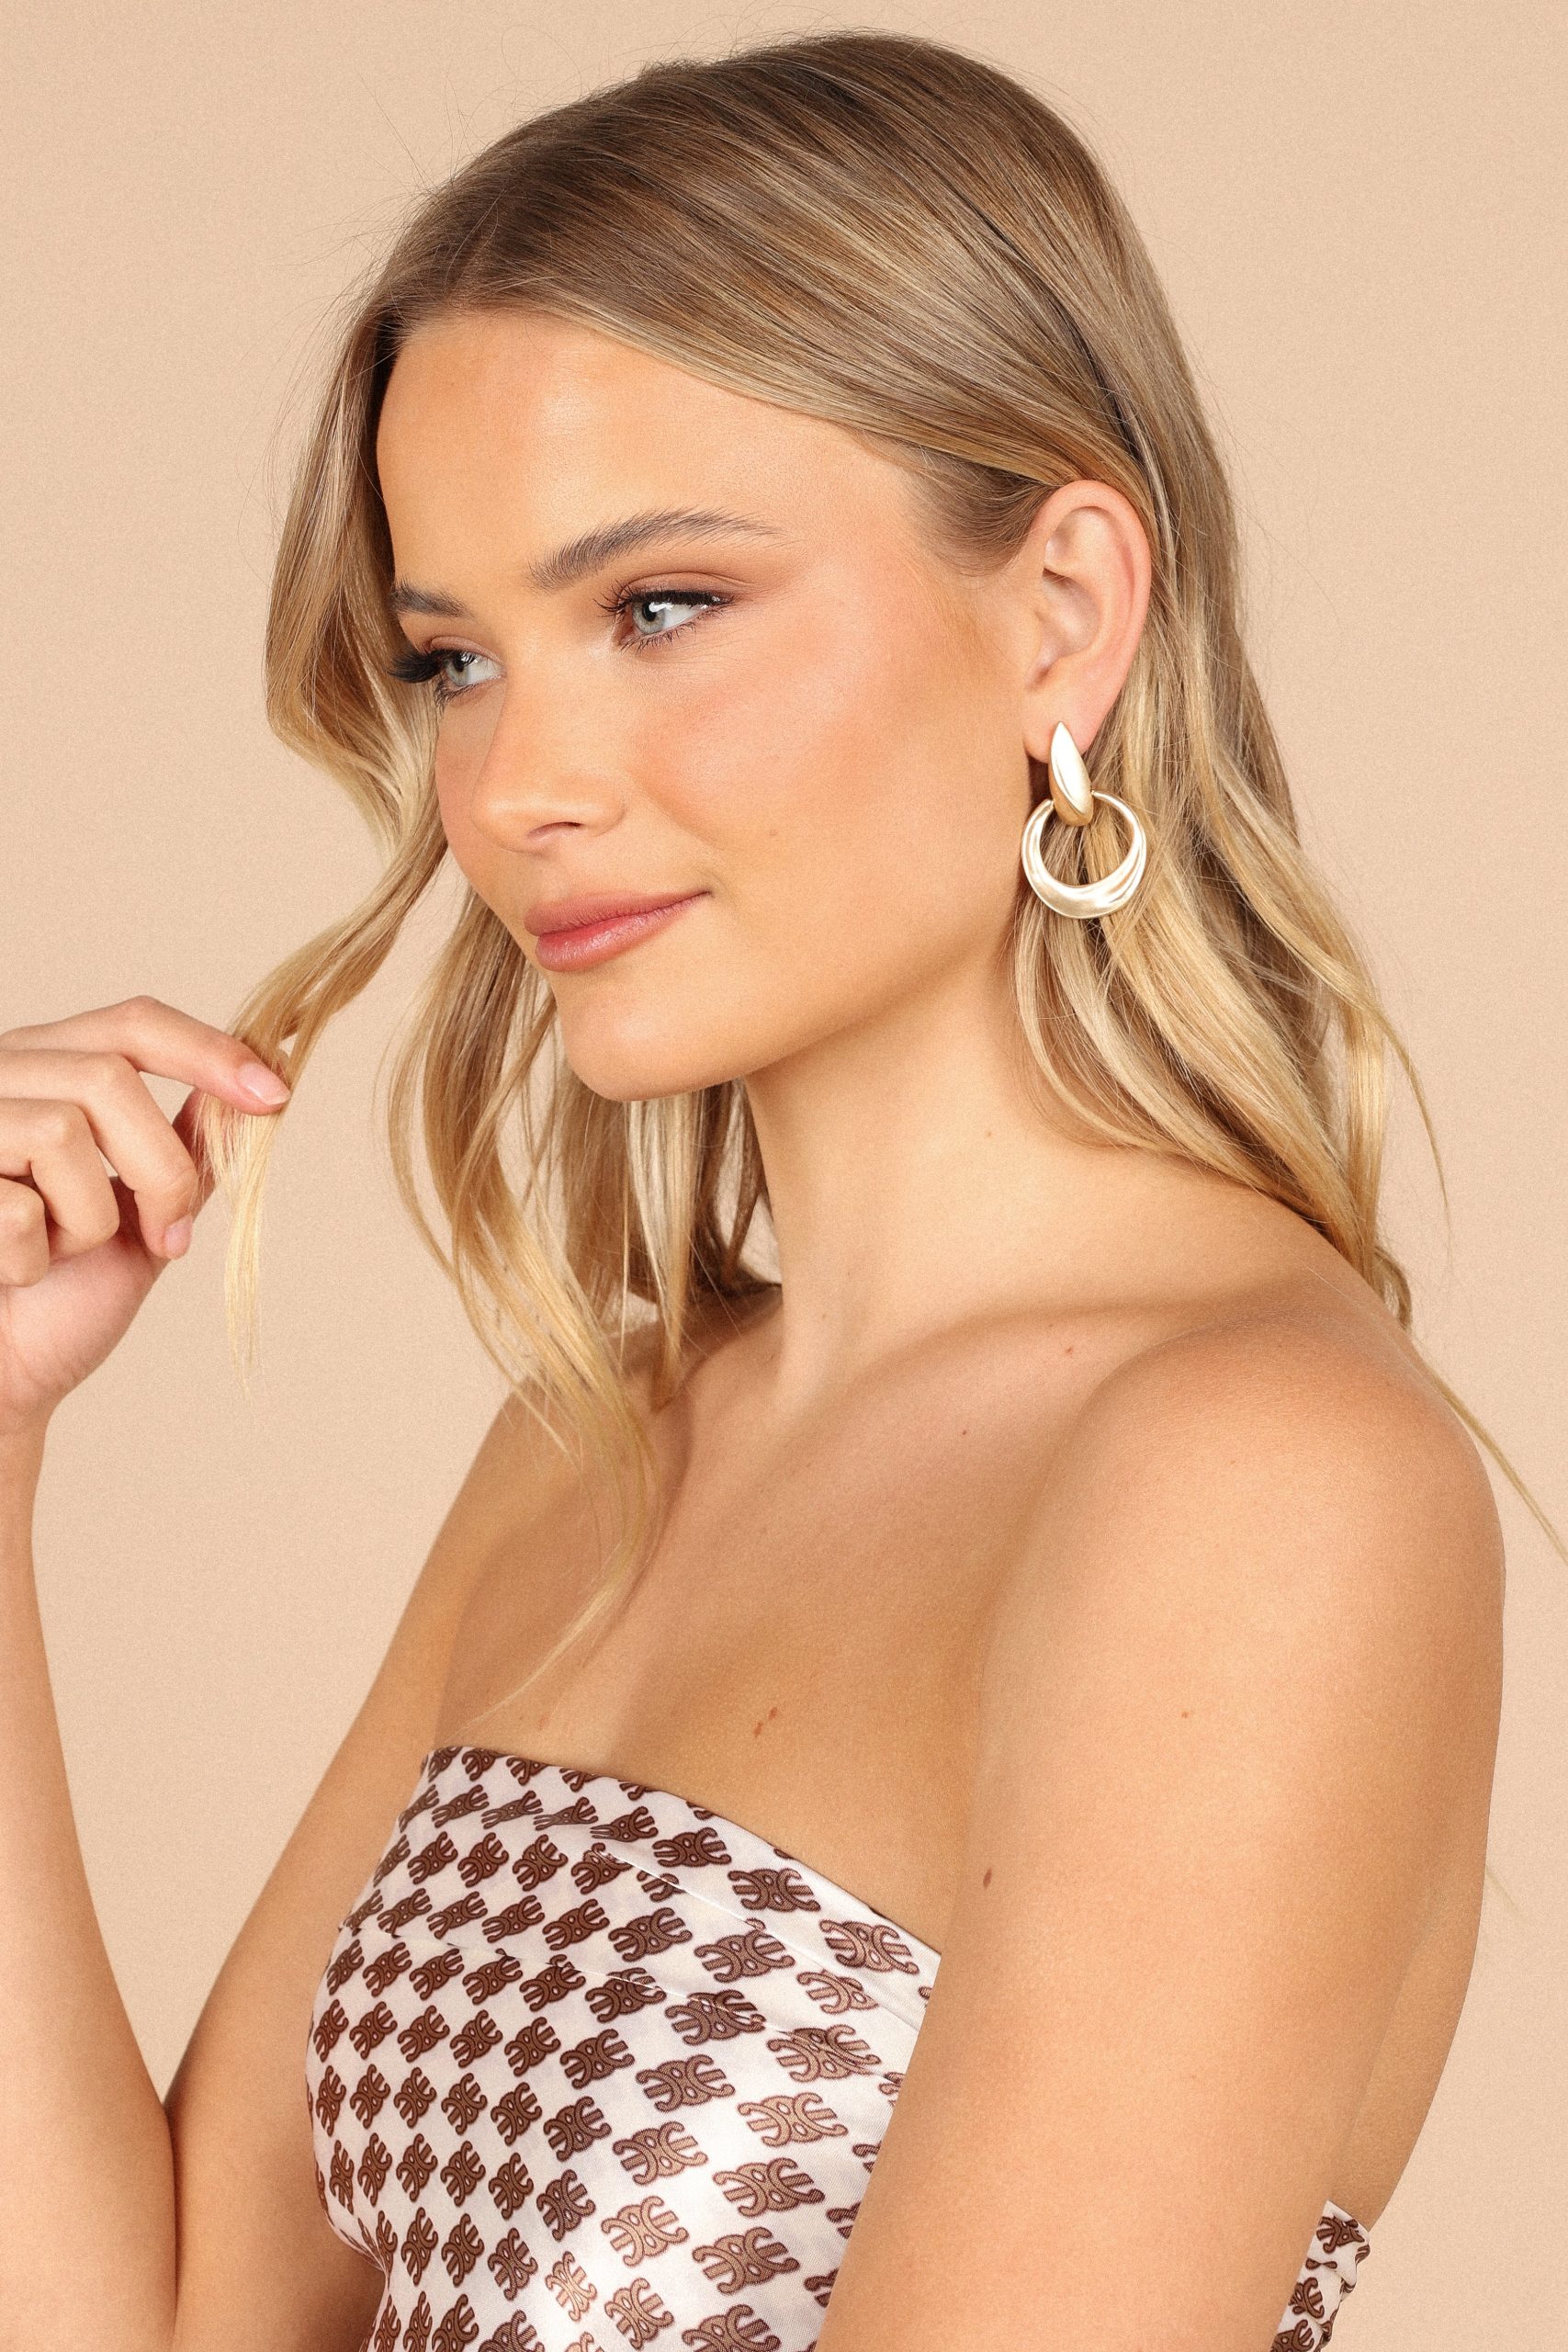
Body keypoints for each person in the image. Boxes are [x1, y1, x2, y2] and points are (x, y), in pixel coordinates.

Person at [0, 28, 1521, 2352]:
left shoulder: (1255, 1477)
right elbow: (152, 2323)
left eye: (660, 606)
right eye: (452, 657)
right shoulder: (606, 1431)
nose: (516, 783)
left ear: (1058, 608)